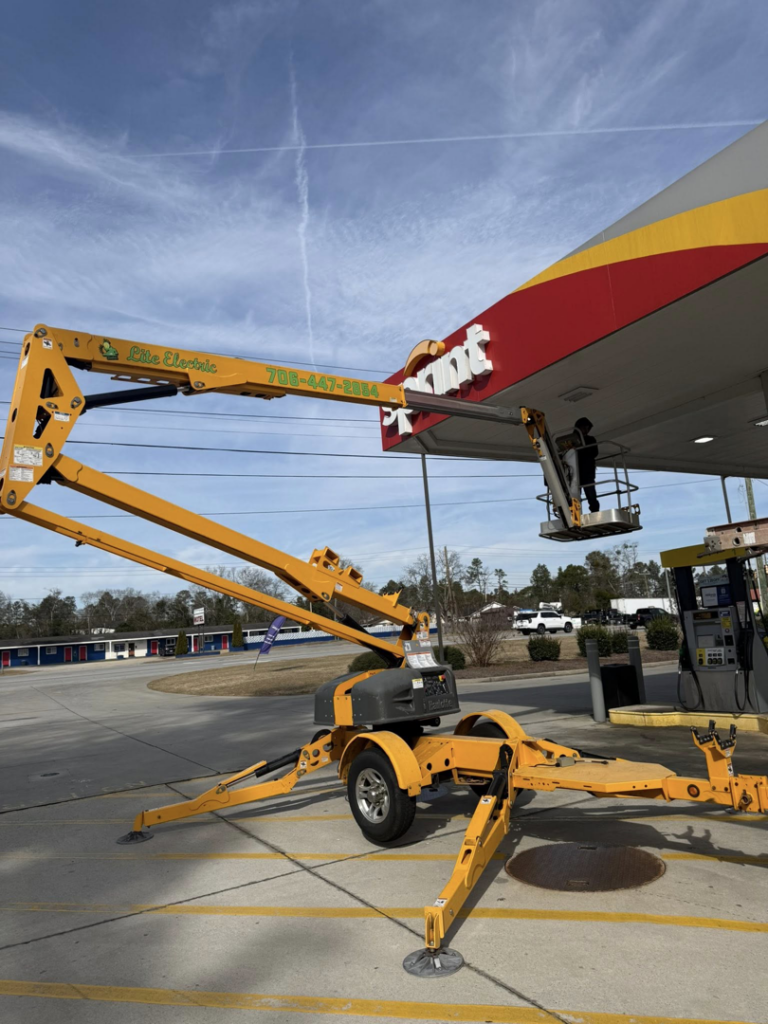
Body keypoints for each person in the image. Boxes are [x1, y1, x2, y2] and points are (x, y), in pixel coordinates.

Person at [573, 416, 599, 512]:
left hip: (587, 472)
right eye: (584, 428)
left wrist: (581, 449)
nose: (586, 430)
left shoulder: (591, 439)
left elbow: (594, 453)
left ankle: (595, 511)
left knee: (591, 495)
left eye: (587, 428)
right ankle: (575, 514)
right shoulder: (571, 439)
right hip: (574, 472)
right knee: (575, 496)